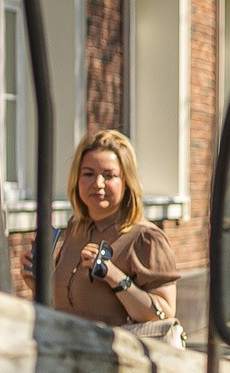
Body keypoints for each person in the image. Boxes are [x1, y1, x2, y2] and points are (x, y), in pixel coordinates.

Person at [47, 129, 180, 330]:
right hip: (66, 353)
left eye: (109, 176)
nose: (98, 184)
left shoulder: (145, 238)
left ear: (126, 181)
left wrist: (113, 275)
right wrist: (37, 282)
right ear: (76, 178)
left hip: (116, 356)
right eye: (88, 174)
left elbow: (164, 314)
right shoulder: (75, 228)